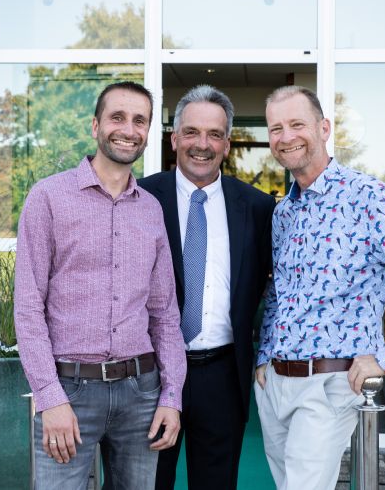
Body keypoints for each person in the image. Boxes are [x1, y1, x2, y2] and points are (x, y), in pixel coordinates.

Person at [255, 85, 385, 490]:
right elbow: (279, 290)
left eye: (297, 124)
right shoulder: (284, 211)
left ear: (324, 128)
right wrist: (264, 356)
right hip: (275, 385)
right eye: (276, 128)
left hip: (329, 384)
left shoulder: (367, 198)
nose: (286, 137)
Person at [14, 81, 187, 490]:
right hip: (69, 390)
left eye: (139, 121)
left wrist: (171, 397)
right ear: (96, 126)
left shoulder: (151, 209)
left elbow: (164, 314)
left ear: (148, 132)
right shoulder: (48, 198)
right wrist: (50, 397)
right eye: (117, 117)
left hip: (141, 393)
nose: (128, 129)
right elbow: (28, 308)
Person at [137, 85, 275, 490]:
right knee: (147, 482)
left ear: (227, 145)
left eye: (215, 134)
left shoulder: (257, 207)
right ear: (174, 138)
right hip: (151, 373)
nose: (202, 144)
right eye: (192, 132)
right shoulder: (140, 197)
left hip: (222, 374)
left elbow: (268, 287)